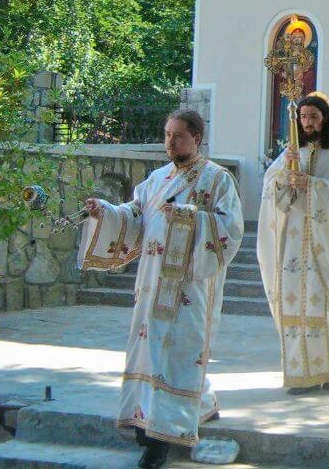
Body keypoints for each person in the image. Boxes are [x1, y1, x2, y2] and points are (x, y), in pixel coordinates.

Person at [79, 110, 243, 469]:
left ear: (197, 138)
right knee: (150, 351)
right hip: (152, 282)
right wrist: (104, 211)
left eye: (179, 136)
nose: (170, 142)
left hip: (189, 286)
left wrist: (188, 216)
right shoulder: (156, 179)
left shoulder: (217, 180)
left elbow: (230, 228)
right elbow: (136, 216)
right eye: (168, 135)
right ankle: (149, 417)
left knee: (180, 352)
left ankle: (164, 437)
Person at [257, 92, 329, 395]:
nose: (308, 122)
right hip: (292, 242)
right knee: (292, 306)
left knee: (318, 307)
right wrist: (283, 176)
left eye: (313, 117)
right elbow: (274, 195)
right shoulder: (292, 152)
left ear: (325, 119)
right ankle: (301, 373)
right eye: (303, 117)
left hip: (323, 244)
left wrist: (313, 186)